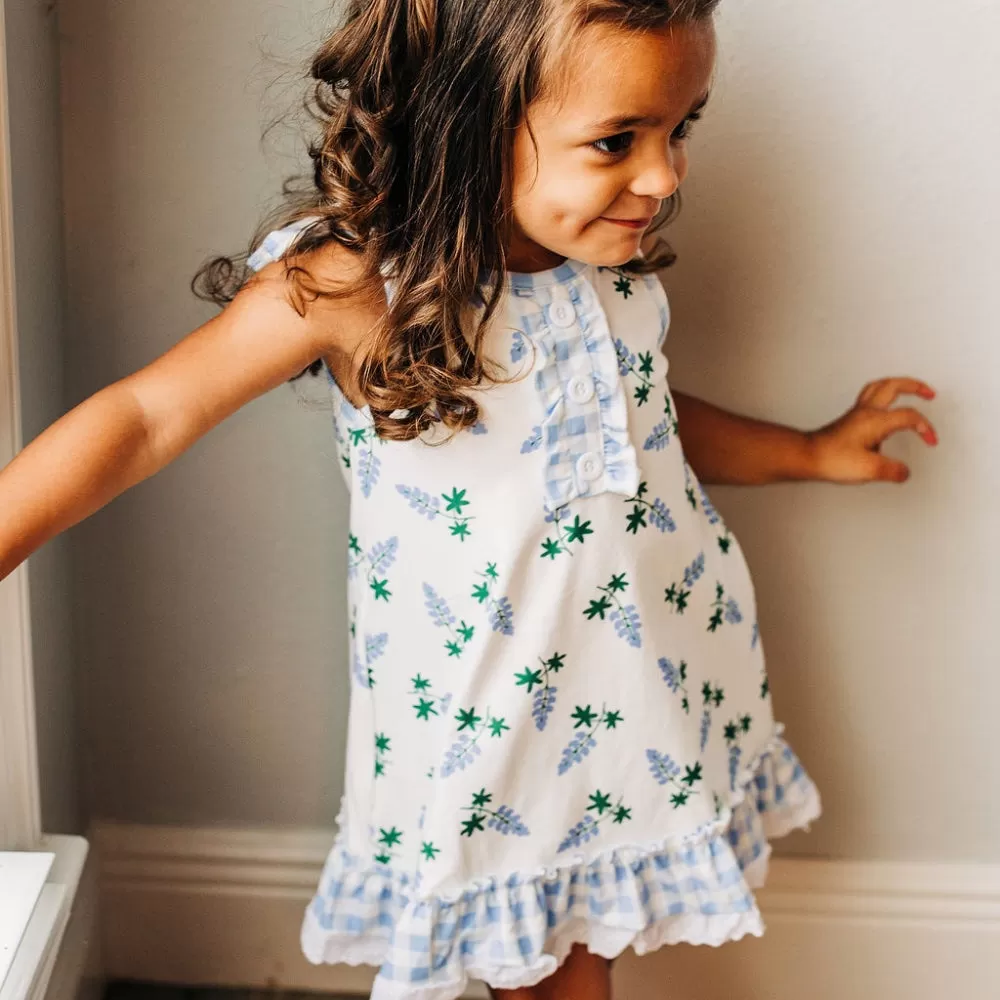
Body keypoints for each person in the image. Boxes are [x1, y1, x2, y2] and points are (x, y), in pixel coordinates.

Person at [0, 1, 938, 998]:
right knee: (539, 963)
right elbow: (147, 414)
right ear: (469, 119)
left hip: (641, 685)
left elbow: (639, 423)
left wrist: (806, 450)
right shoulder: (358, 285)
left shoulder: (606, 270)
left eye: (680, 128)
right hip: (491, 716)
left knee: (580, 942)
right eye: (618, 139)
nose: (664, 175)